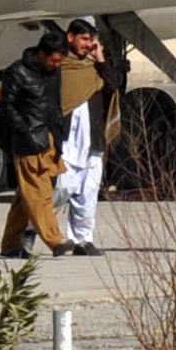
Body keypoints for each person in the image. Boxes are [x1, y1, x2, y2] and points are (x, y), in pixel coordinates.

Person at [0, 26, 70, 261]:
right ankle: (55, 240)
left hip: (49, 138)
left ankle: (10, 244)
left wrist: (59, 132)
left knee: (24, 197)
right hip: (28, 142)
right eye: (54, 60)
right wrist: (24, 131)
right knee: (40, 193)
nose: (56, 65)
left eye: (60, 61)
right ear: (41, 53)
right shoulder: (17, 72)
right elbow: (5, 106)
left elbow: (55, 102)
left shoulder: (54, 71)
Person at [55, 20, 111, 254]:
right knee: (63, 187)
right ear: (71, 38)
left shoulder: (94, 68)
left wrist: (100, 58)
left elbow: (112, 86)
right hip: (67, 138)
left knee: (88, 191)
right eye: (84, 39)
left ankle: (82, 239)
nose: (88, 45)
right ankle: (33, 224)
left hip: (92, 138)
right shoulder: (61, 65)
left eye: (91, 40)